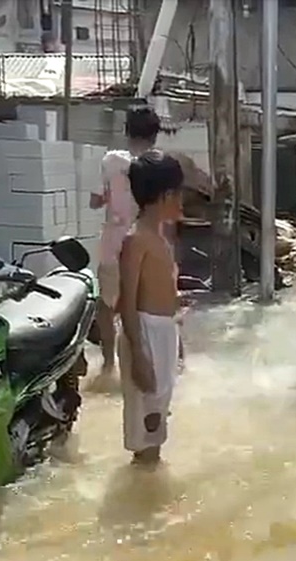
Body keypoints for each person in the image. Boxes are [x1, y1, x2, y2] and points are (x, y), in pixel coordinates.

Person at [117, 151, 184, 466]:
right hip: (144, 333)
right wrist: (139, 355)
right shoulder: (136, 241)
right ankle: (141, 489)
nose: (183, 202)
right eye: (180, 194)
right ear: (167, 195)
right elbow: (126, 302)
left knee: (157, 422)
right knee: (145, 432)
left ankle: (150, 490)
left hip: (162, 331)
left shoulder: (159, 237)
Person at [90, 106, 162, 377]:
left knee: (107, 306)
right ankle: (170, 362)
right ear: (155, 135)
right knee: (154, 306)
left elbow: (95, 201)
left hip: (114, 245)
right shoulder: (159, 164)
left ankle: (109, 365)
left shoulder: (111, 162)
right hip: (147, 247)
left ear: (126, 131)